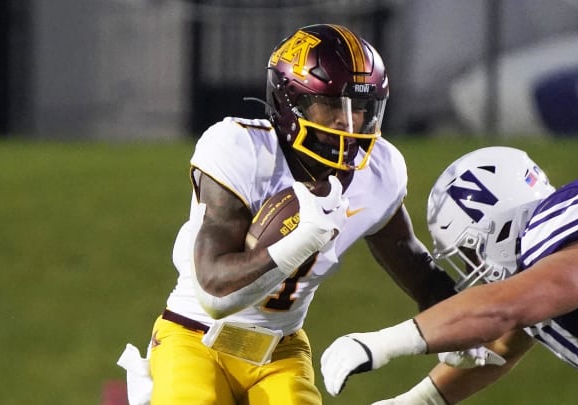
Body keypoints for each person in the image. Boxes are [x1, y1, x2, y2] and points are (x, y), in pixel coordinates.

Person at [116, 23, 500, 405]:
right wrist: (301, 237)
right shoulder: (241, 148)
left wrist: (458, 326)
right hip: (195, 336)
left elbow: (417, 268)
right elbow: (216, 294)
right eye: (333, 104)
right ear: (291, 101)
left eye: (361, 108)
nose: (348, 123)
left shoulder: (379, 170)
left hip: (279, 350)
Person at [320, 146, 578, 405]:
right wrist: (417, 401)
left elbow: (504, 309)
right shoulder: (559, 262)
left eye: (470, 251)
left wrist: (381, 344)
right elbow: (500, 347)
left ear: (499, 227)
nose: (471, 270)